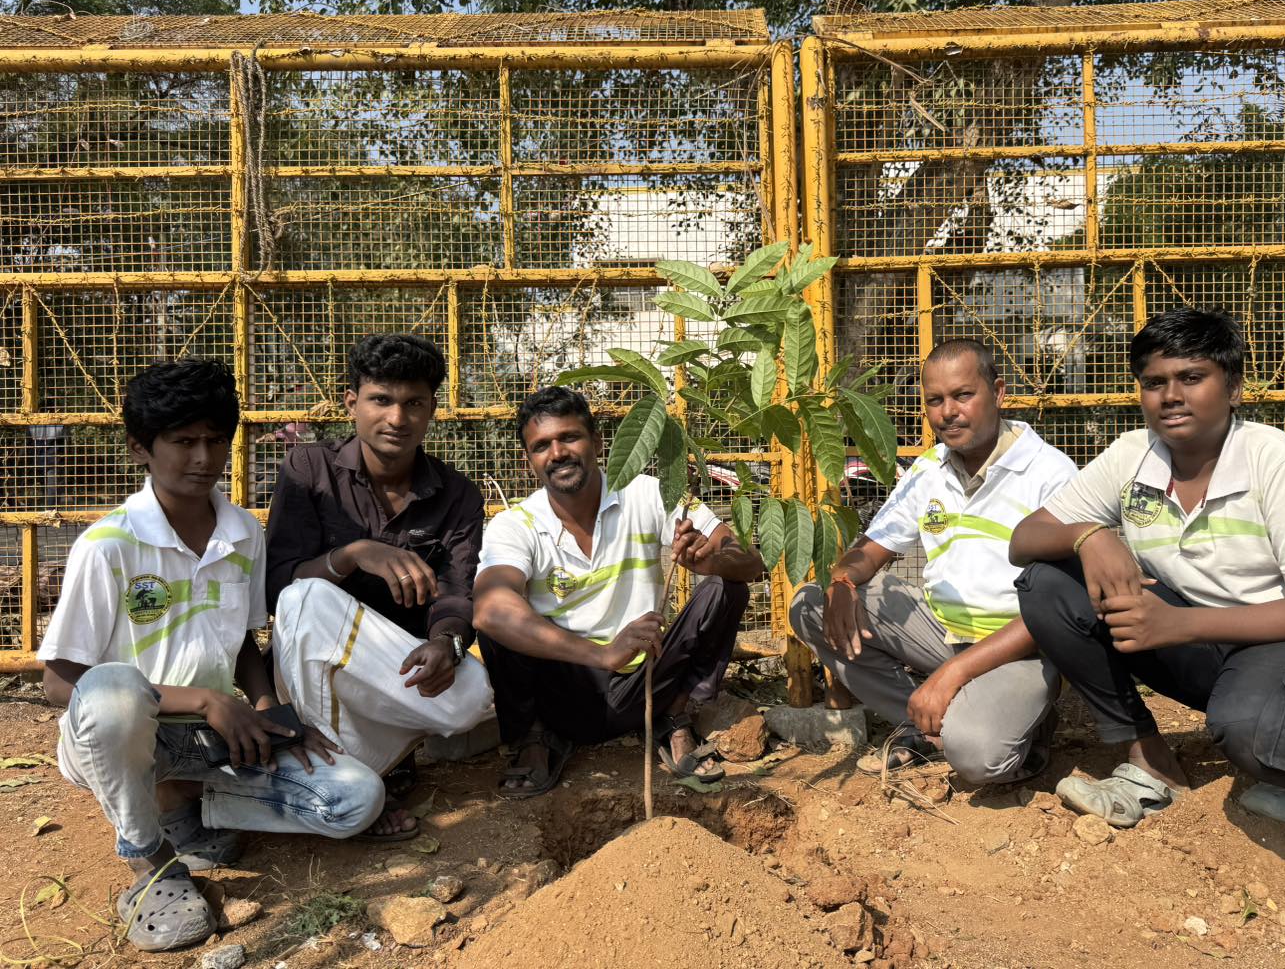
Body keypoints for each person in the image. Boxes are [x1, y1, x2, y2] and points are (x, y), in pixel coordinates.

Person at [38, 359, 385, 953]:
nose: (203, 458)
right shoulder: (107, 546)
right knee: (117, 693)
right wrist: (205, 699)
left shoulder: (243, 533)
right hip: (122, 740)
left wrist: (273, 715)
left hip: (213, 736)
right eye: (182, 441)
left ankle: (191, 806)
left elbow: (248, 643)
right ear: (140, 448)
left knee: (356, 799)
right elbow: (61, 683)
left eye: (215, 440)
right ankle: (149, 866)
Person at [1010, 307, 1285, 827]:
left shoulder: (1274, 461)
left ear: (1233, 388)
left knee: (1252, 735)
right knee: (1048, 584)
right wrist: (1088, 534)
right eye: (1154, 382)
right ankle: (1147, 761)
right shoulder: (1132, 456)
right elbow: (1024, 539)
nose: (1171, 395)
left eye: (1192, 377)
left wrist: (1178, 624)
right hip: (1214, 643)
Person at [790, 340, 1077, 783]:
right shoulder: (929, 471)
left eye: (963, 395)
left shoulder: (1049, 474)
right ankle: (923, 724)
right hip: (944, 635)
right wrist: (843, 581)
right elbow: (871, 548)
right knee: (811, 604)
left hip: (1023, 648)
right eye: (934, 400)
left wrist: (952, 675)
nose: (947, 412)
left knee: (979, 759)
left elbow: (1060, 610)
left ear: (998, 393)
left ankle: (1013, 725)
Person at [472, 386, 765, 797]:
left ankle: (676, 716)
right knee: (498, 615)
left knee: (724, 589)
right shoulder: (514, 524)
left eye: (569, 437)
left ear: (597, 442)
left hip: (646, 681)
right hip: (563, 689)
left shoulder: (648, 493)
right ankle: (534, 737)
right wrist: (600, 653)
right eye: (542, 446)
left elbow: (751, 563)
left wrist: (712, 560)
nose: (557, 453)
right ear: (528, 462)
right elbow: (489, 612)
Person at [266, 334, 494, 841]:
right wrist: (353, 555)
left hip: (390, 663)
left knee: (473, 695)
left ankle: (364, 768)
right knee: (306, 596)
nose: (397, 418)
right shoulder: (309, 469)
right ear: (352, 404)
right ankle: (347, 777)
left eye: (414, 403)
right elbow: (275, 588)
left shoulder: (456, 494)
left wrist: (446, 643)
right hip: (309, 664)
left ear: (432, 408)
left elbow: (458, 589)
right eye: (381, 400)